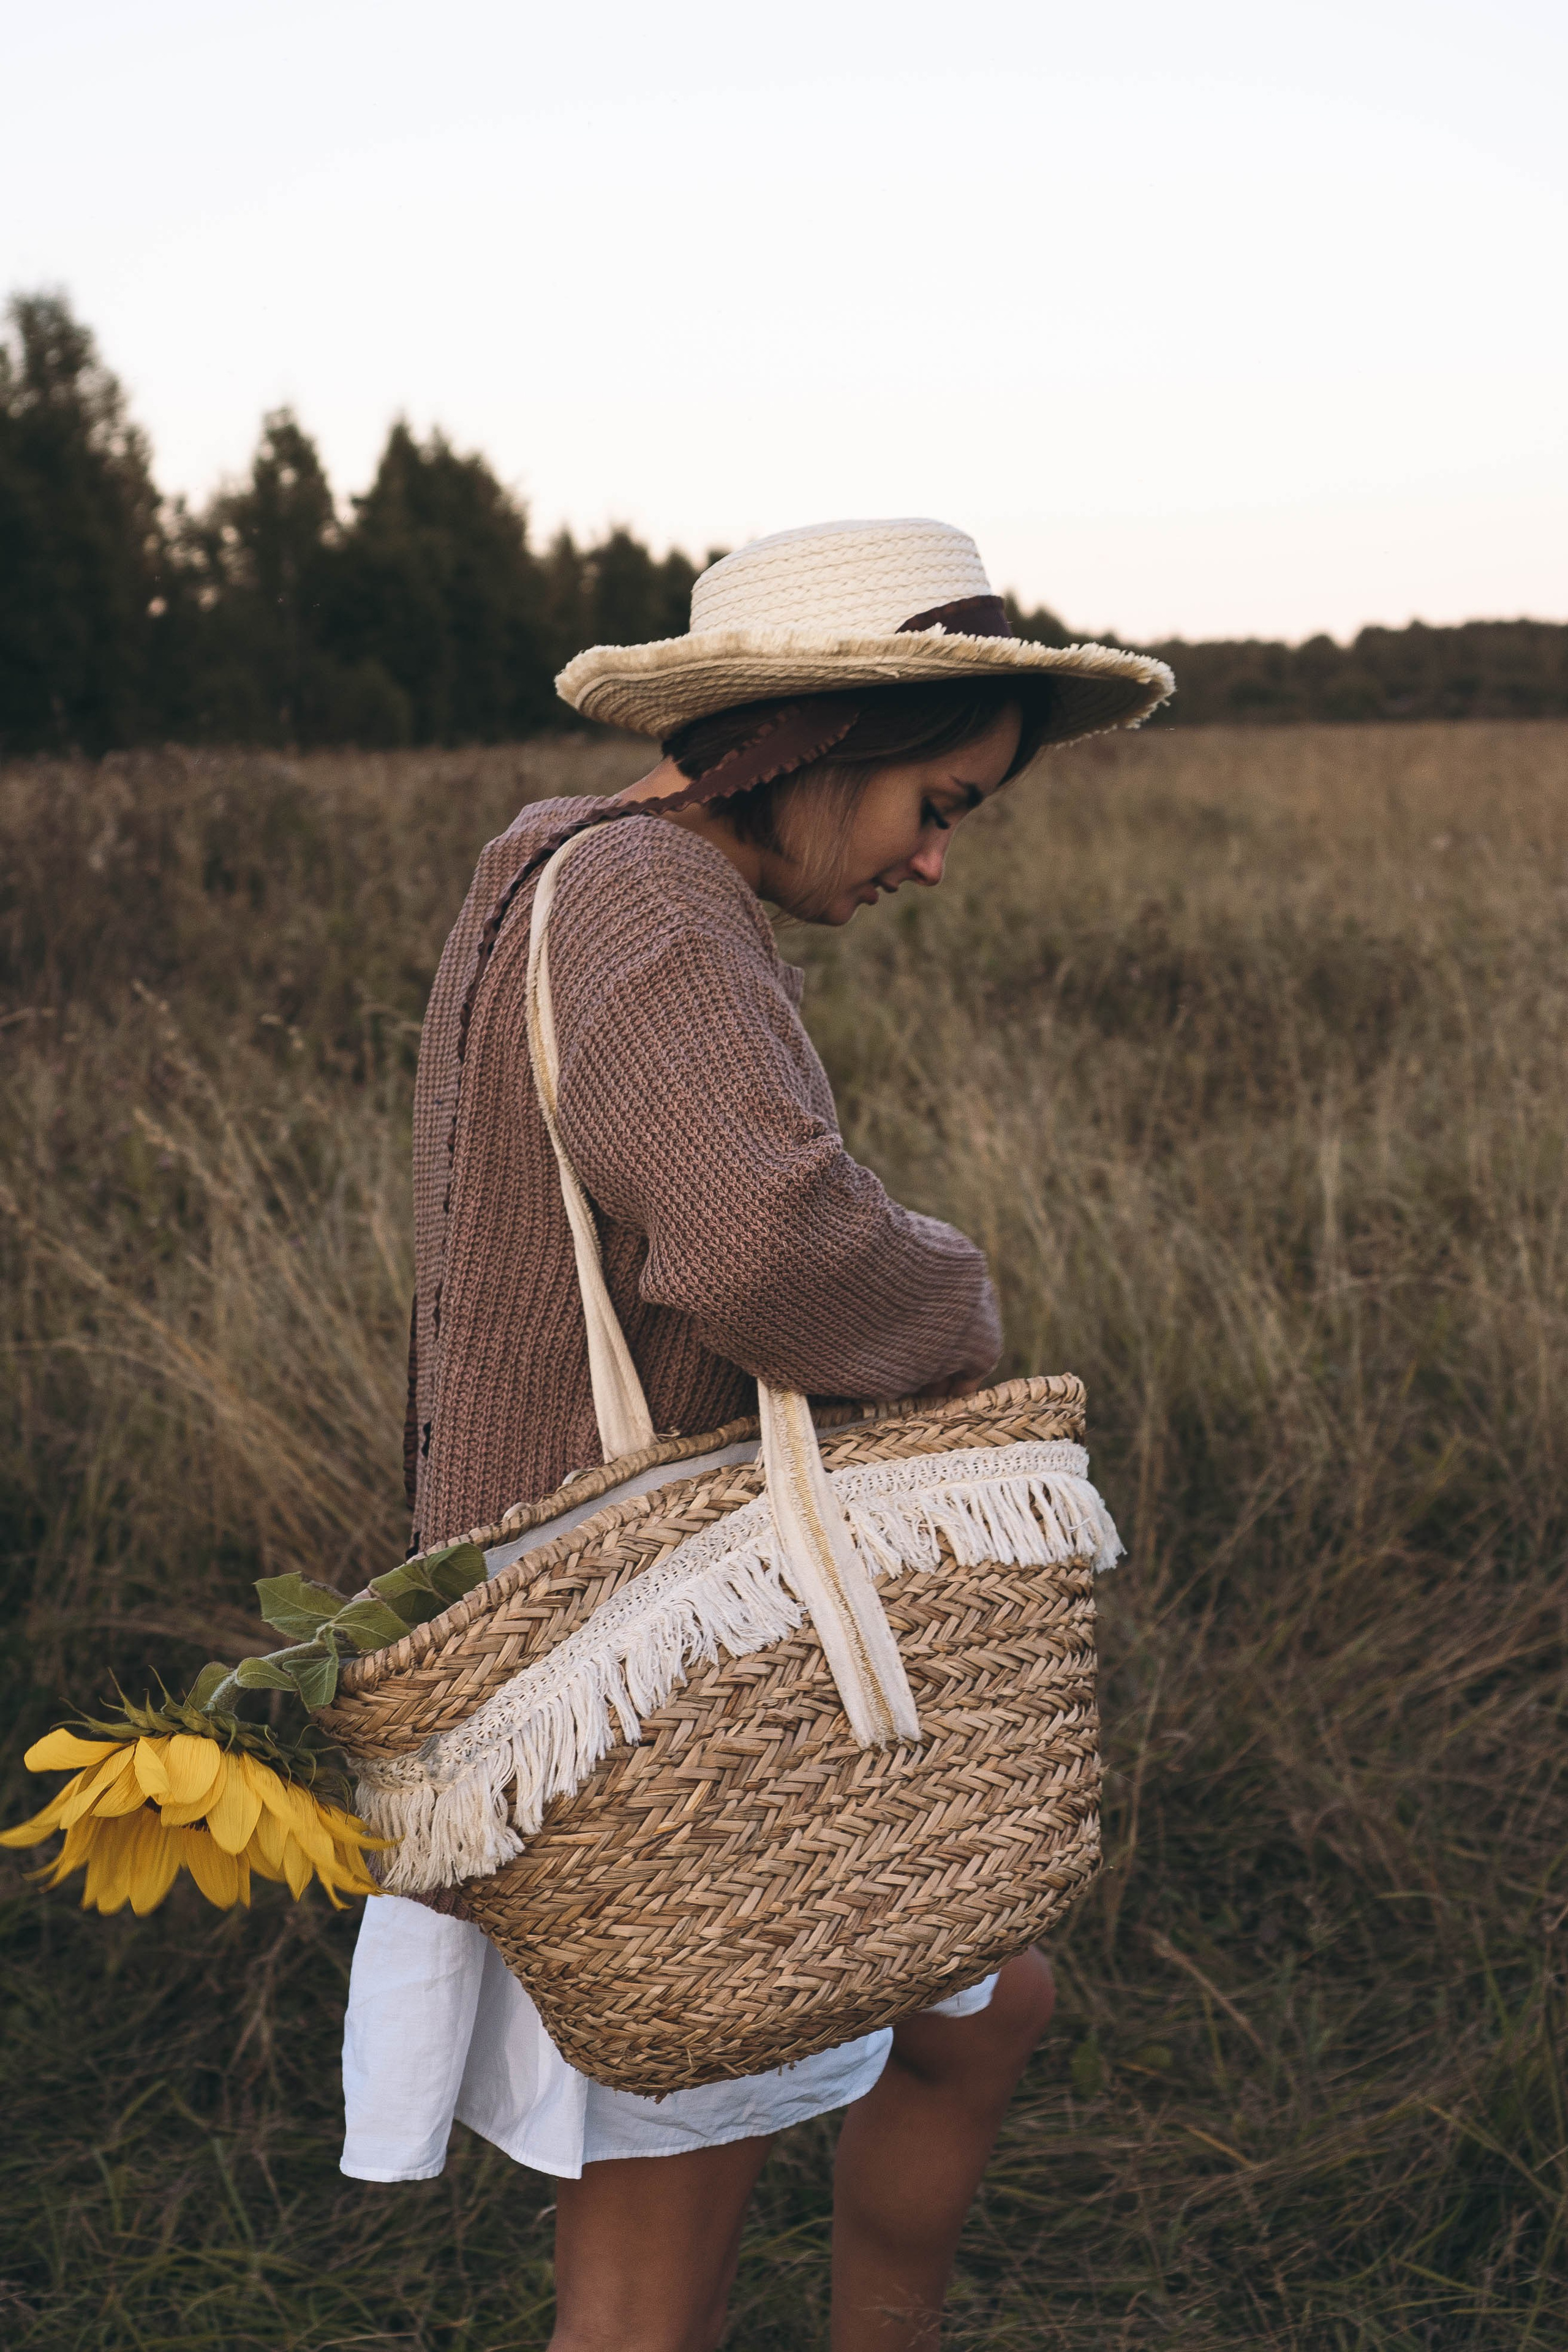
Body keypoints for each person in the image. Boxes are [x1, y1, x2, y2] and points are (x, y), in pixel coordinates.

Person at [341, 519, 1170, 2350]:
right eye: (935, 803)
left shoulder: (577, 864)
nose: (939, 861)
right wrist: (957, 1302)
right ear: (806, 747)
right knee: (658, 2249)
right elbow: (763, 1248)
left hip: (676, 1615)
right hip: (649, 1673)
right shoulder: (647, 900)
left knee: (980, 2003)